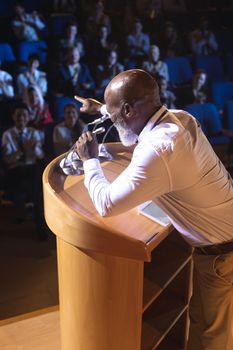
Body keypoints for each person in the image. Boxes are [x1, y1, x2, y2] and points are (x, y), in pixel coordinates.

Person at [74, 69, 233, 350]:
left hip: (223, 257)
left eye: (114, 112)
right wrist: (101, 109)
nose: (111, 118)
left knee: (213, 338)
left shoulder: (160, 149)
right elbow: (135, 123)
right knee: (202, 324)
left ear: (127, 109)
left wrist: (89, 160)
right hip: (219, 247)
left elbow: (107, 205)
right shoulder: (180, 117)